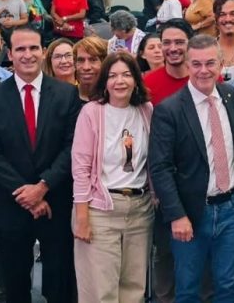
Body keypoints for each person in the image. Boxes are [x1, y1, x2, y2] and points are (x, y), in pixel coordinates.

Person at [0, 26, 81, 303]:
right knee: (15, 288)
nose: (28, 54)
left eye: (33, 48)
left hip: (56, 202)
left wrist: (43, 186)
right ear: (9, 54)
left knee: (60, 285)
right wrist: (27, 194)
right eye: (20, 49)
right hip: (11, 204)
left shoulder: (66, 94)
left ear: (43, 51)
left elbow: (72, 147)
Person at [149, 34, 234, 303]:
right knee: (188, 288)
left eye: (210, 63)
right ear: (188, 65)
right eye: (196, 64)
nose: (204, 70)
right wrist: (177, 215)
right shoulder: (169, 110)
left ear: (221, 64)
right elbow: (160, 167)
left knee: (227, 285)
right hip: (191, 212)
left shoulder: (230, 96)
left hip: (231, 208)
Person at [72, 52, 155, 302]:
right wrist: (82, 218)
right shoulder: (92, 112)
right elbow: (81, 168)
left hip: (140, 209)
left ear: (136, 80)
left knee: (134, 288)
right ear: (105, 82)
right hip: (100, 210)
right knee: (101, 291)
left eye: (127, 75)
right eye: (113, 76)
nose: (120, 81)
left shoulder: (146, 110)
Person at [74, 36, 109, 102]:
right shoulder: (67, 97)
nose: (86, 67)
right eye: (81, 60)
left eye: (93, 60)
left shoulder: (113, 99)